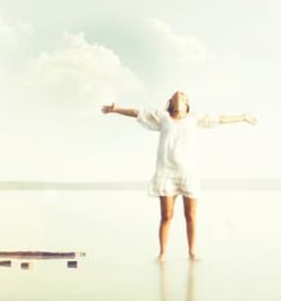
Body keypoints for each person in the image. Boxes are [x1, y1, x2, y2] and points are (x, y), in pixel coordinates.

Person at [101, 91, 256, 261]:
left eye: (182, 95)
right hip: (166, 173)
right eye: (176, 94)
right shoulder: (163, 117)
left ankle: (192, 252)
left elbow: (219, 118)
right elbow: (138, 112)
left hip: (187, 173)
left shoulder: (194, 117)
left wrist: (242, 117)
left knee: (190, 216)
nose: (178, 94)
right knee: (166, 216)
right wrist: (116, 110)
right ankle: (162, 253)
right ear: (171, 102)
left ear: (186, 102)